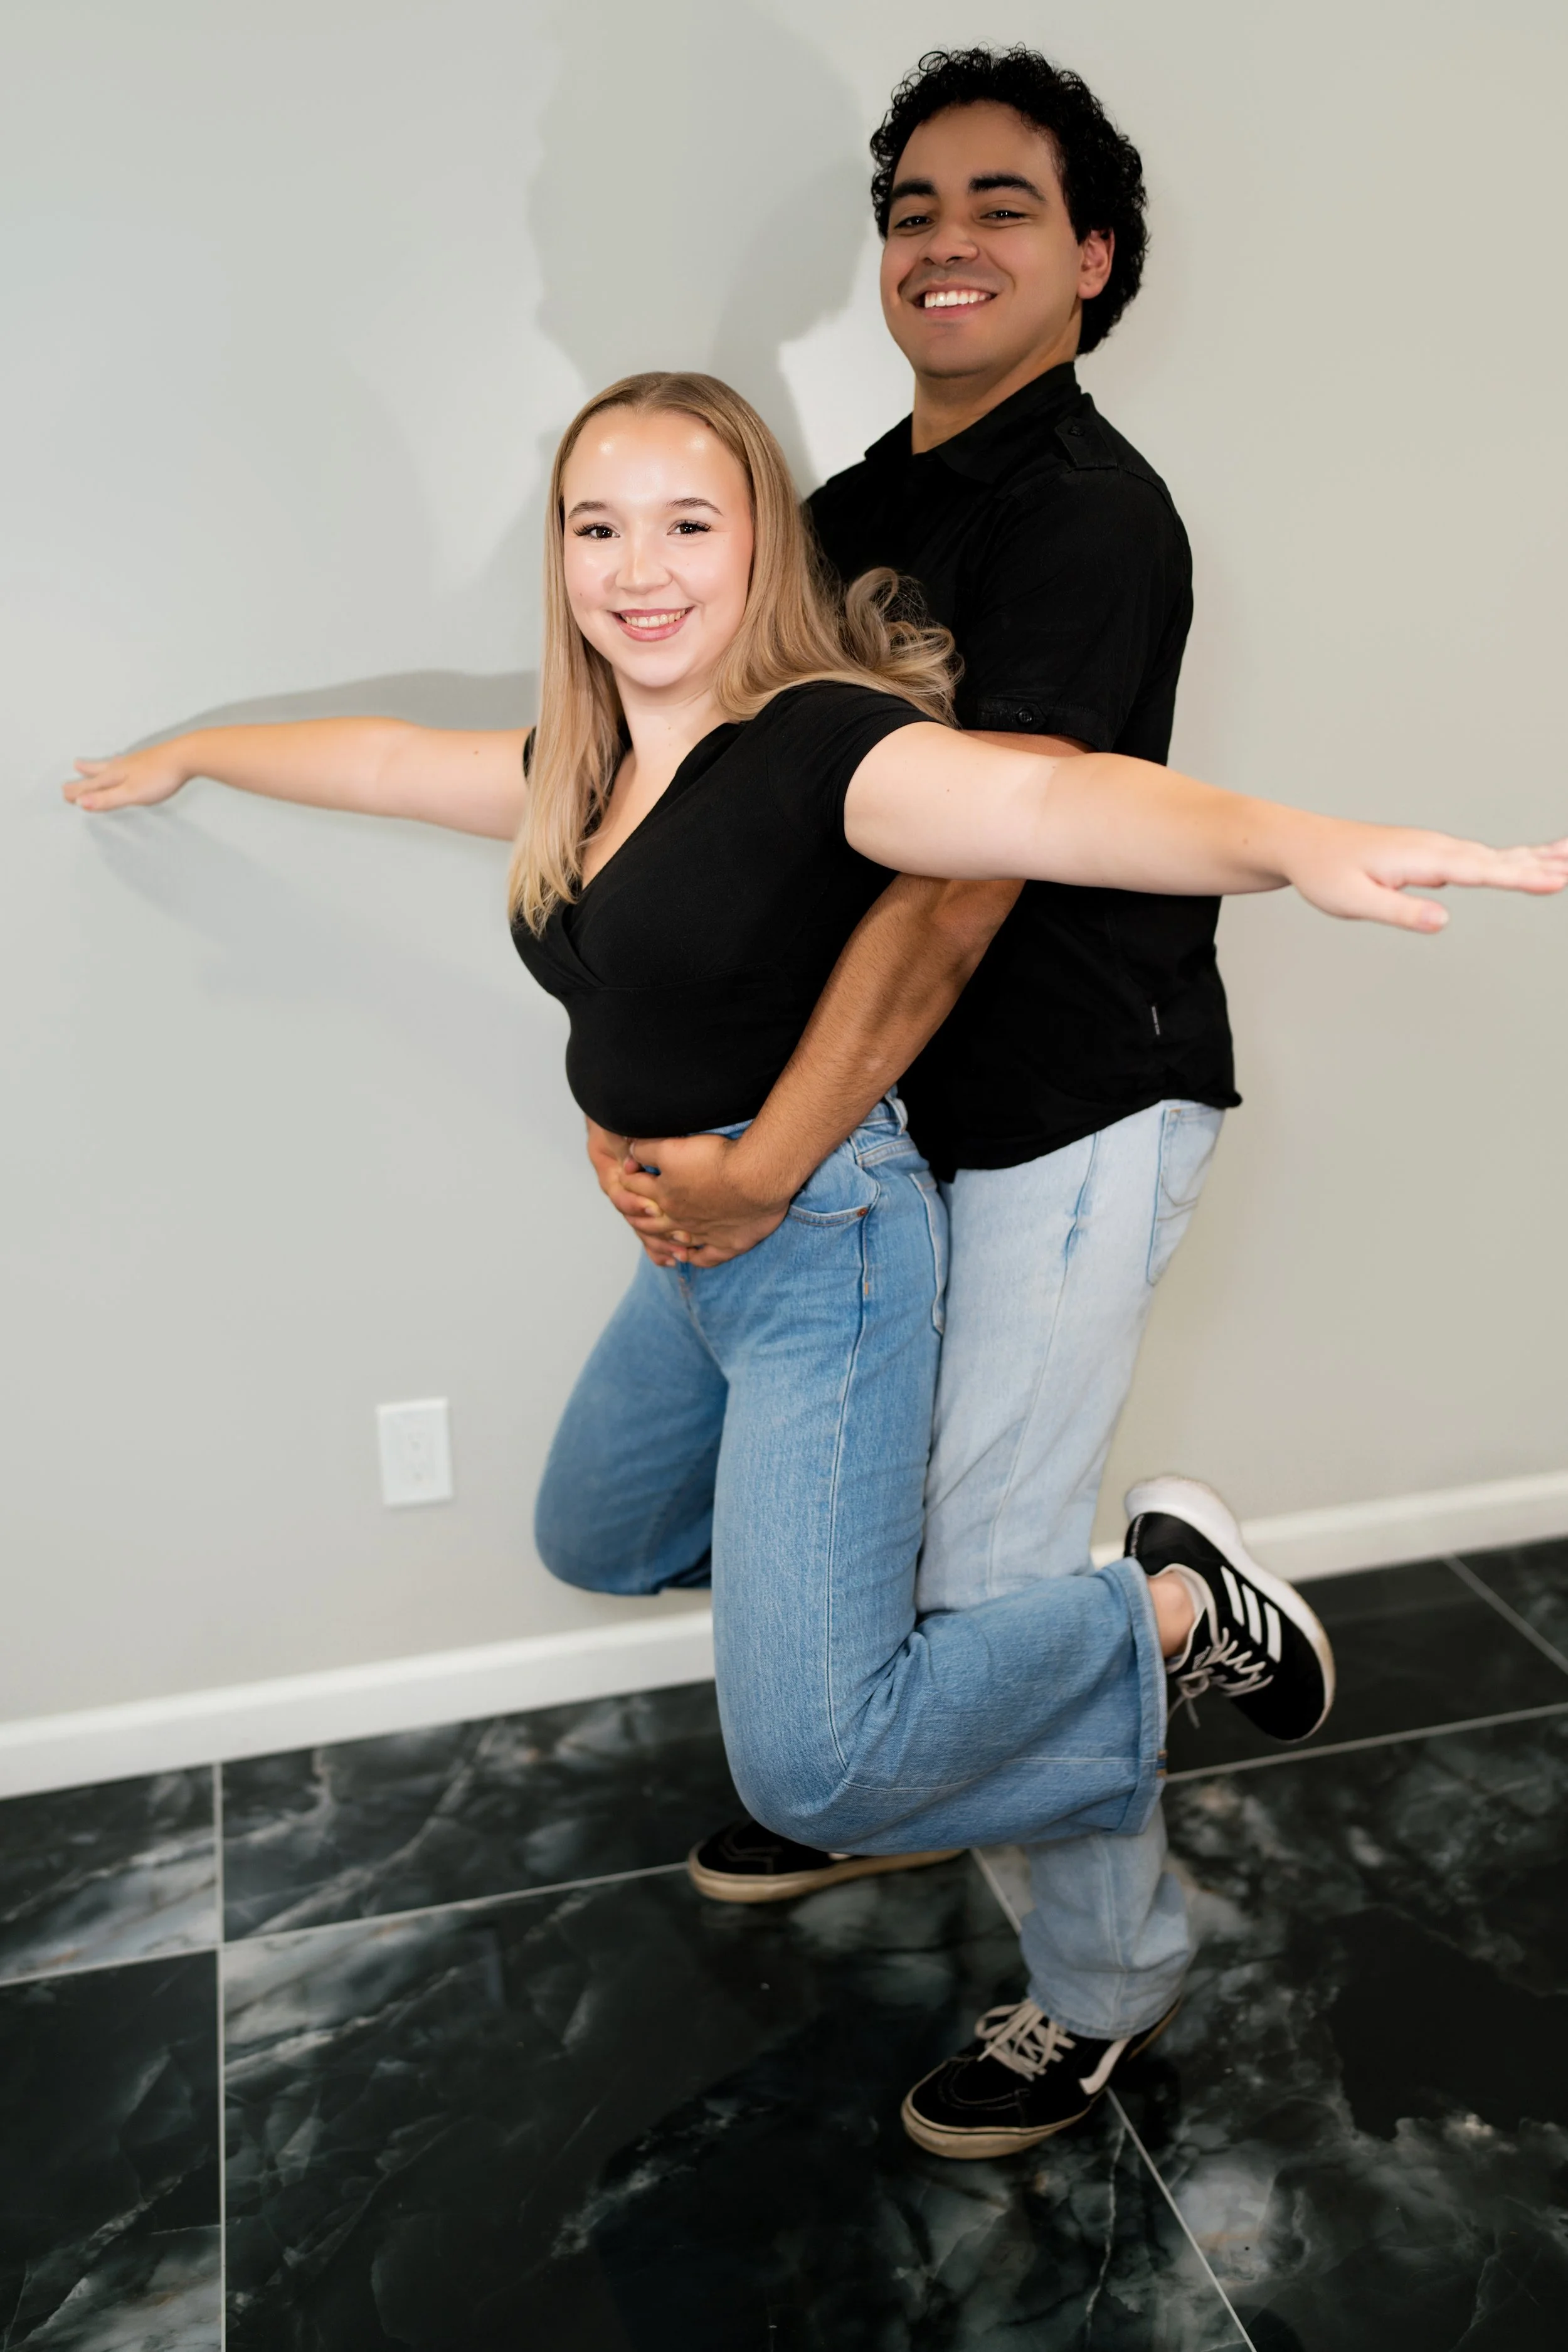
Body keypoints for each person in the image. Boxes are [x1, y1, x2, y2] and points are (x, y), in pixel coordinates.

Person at [67, 372, 1567, 2159]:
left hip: (824, 1258)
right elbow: (389, 760)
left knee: (813, 1763)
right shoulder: (588, 759)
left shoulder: (824, 745)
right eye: (596, 524)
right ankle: (881, 1675)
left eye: (687, 523)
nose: (639, 566)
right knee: (597, 1534)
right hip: (692, 1267)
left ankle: (1167, 1609)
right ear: (556, 556)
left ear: (759, 540)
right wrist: (197, 753)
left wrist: (1302, 844)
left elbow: (1059, 811)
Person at [583, 47, 1265, 2151]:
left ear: (1091, 258)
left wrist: (776, 1141)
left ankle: (1110, 1966)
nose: (940, 241)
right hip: (881, 1131)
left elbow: (970, 875)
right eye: (908, 208)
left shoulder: (1090, 522)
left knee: (980, 1575)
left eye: (996, 205)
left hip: (1064, 1103)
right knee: (743, 1531)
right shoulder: (846, 516)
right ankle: (882, 1774)